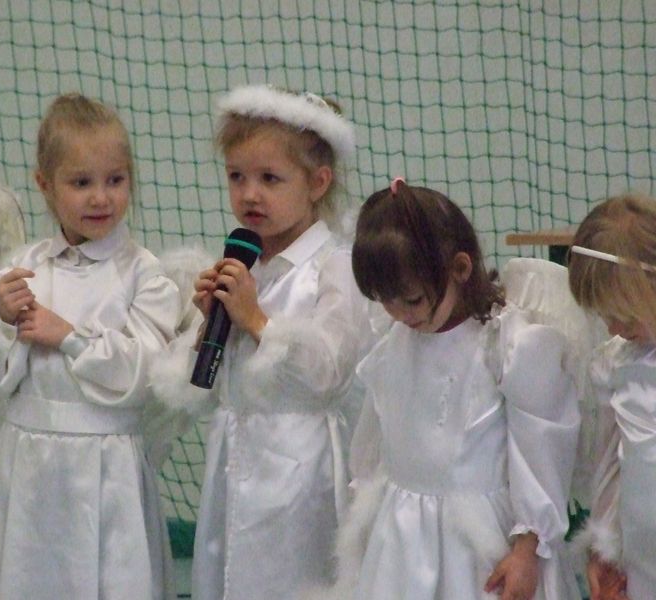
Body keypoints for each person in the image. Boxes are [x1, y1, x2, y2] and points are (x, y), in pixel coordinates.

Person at [156, 83, 369, 600]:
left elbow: (330, 372)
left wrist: (256, 319)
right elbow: (204, 389)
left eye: (270, 178)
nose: (250, 194)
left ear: (318, 182)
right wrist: (210, 326)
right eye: (237, 176)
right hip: (233, 462)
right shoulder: (246, 263)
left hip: (300, 471)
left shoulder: (335, 266)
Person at [0, 93, 181, 599]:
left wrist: (69, 338)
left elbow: (145, 375)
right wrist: (2, 324)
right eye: (81, 183)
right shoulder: (20, 270)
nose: (101, 198)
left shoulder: (145, 275)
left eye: (115, 180)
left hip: (108, 471)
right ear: (45, 184)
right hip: (29, 469)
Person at [342, 179, 581, 599]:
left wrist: (529, 547)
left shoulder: (508, 346)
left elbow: (540, 451)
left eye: (412, 299)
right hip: (400, 543)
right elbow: (375, 439)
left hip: (481, 550)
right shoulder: (394, 342)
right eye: (385, 300)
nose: (399, 314)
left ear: (461, 269)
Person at [568, 194, 656, 600]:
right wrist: (604, 549)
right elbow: (608, 465)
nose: (614, 329)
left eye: (623, 315)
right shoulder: (616, 363)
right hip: (643, 561)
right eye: (605, 317)